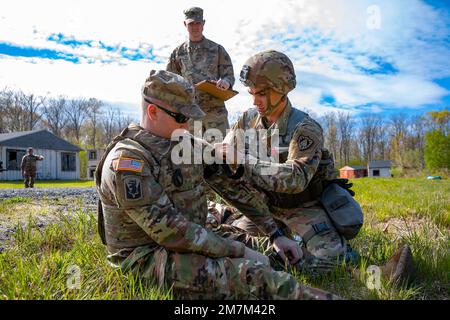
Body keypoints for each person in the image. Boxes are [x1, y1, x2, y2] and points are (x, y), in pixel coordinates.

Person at [94, 69, 339, 299]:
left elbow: (231, 188)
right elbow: (172, 232)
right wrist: (238, 251)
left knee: (276, 253)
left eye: (189, 117)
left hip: (197, 234)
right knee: (253, 276)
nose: (187, 125)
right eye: (180, 117)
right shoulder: (127, 162)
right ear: (153, 112)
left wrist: (274, 234)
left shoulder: (185, 143)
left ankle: (335, 267)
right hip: (147, 257)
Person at [212, 50, 413, 281]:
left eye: (262, 94)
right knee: (232, 247)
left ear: (282, 89)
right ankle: (272, 248)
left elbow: (296, 179)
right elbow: (226, 149)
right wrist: (222, 152)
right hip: (264, 208)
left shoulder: (305, 128)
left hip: (303, 206)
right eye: (252, 93)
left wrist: (243, 161)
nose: (255, 100)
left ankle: (374, 274)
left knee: (331, 260)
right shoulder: (247, 120)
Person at [166, 6, 234, 139]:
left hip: (215, 112)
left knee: (221, 154)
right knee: (193, 155)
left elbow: (229, 75)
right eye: (191, 23)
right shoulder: (177, 53)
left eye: (198, 23)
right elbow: (170, 81)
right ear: (185, 24)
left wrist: (226, 82)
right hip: (190, 113)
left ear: (203, 24)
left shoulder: (217, 49)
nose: (195, 26)